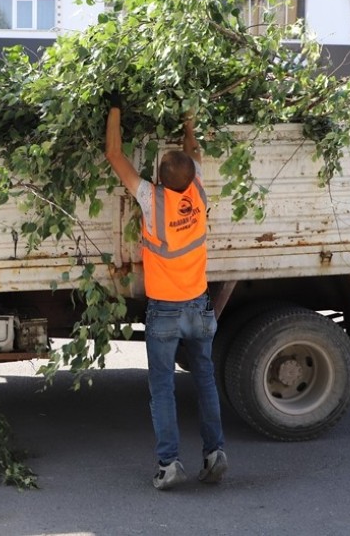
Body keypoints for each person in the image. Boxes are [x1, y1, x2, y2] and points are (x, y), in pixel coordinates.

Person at [103, 104, 227, 490]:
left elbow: (114, 155)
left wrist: (114, 111)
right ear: (191, 177)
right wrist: (189, 120)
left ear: (158, 179)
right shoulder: (200, 191)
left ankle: (169, 464)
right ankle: (215, 453)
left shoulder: (152, 202)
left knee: (162, 387)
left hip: (166, 310)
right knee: (205, 378)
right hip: (201, 303)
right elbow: (193, 151)